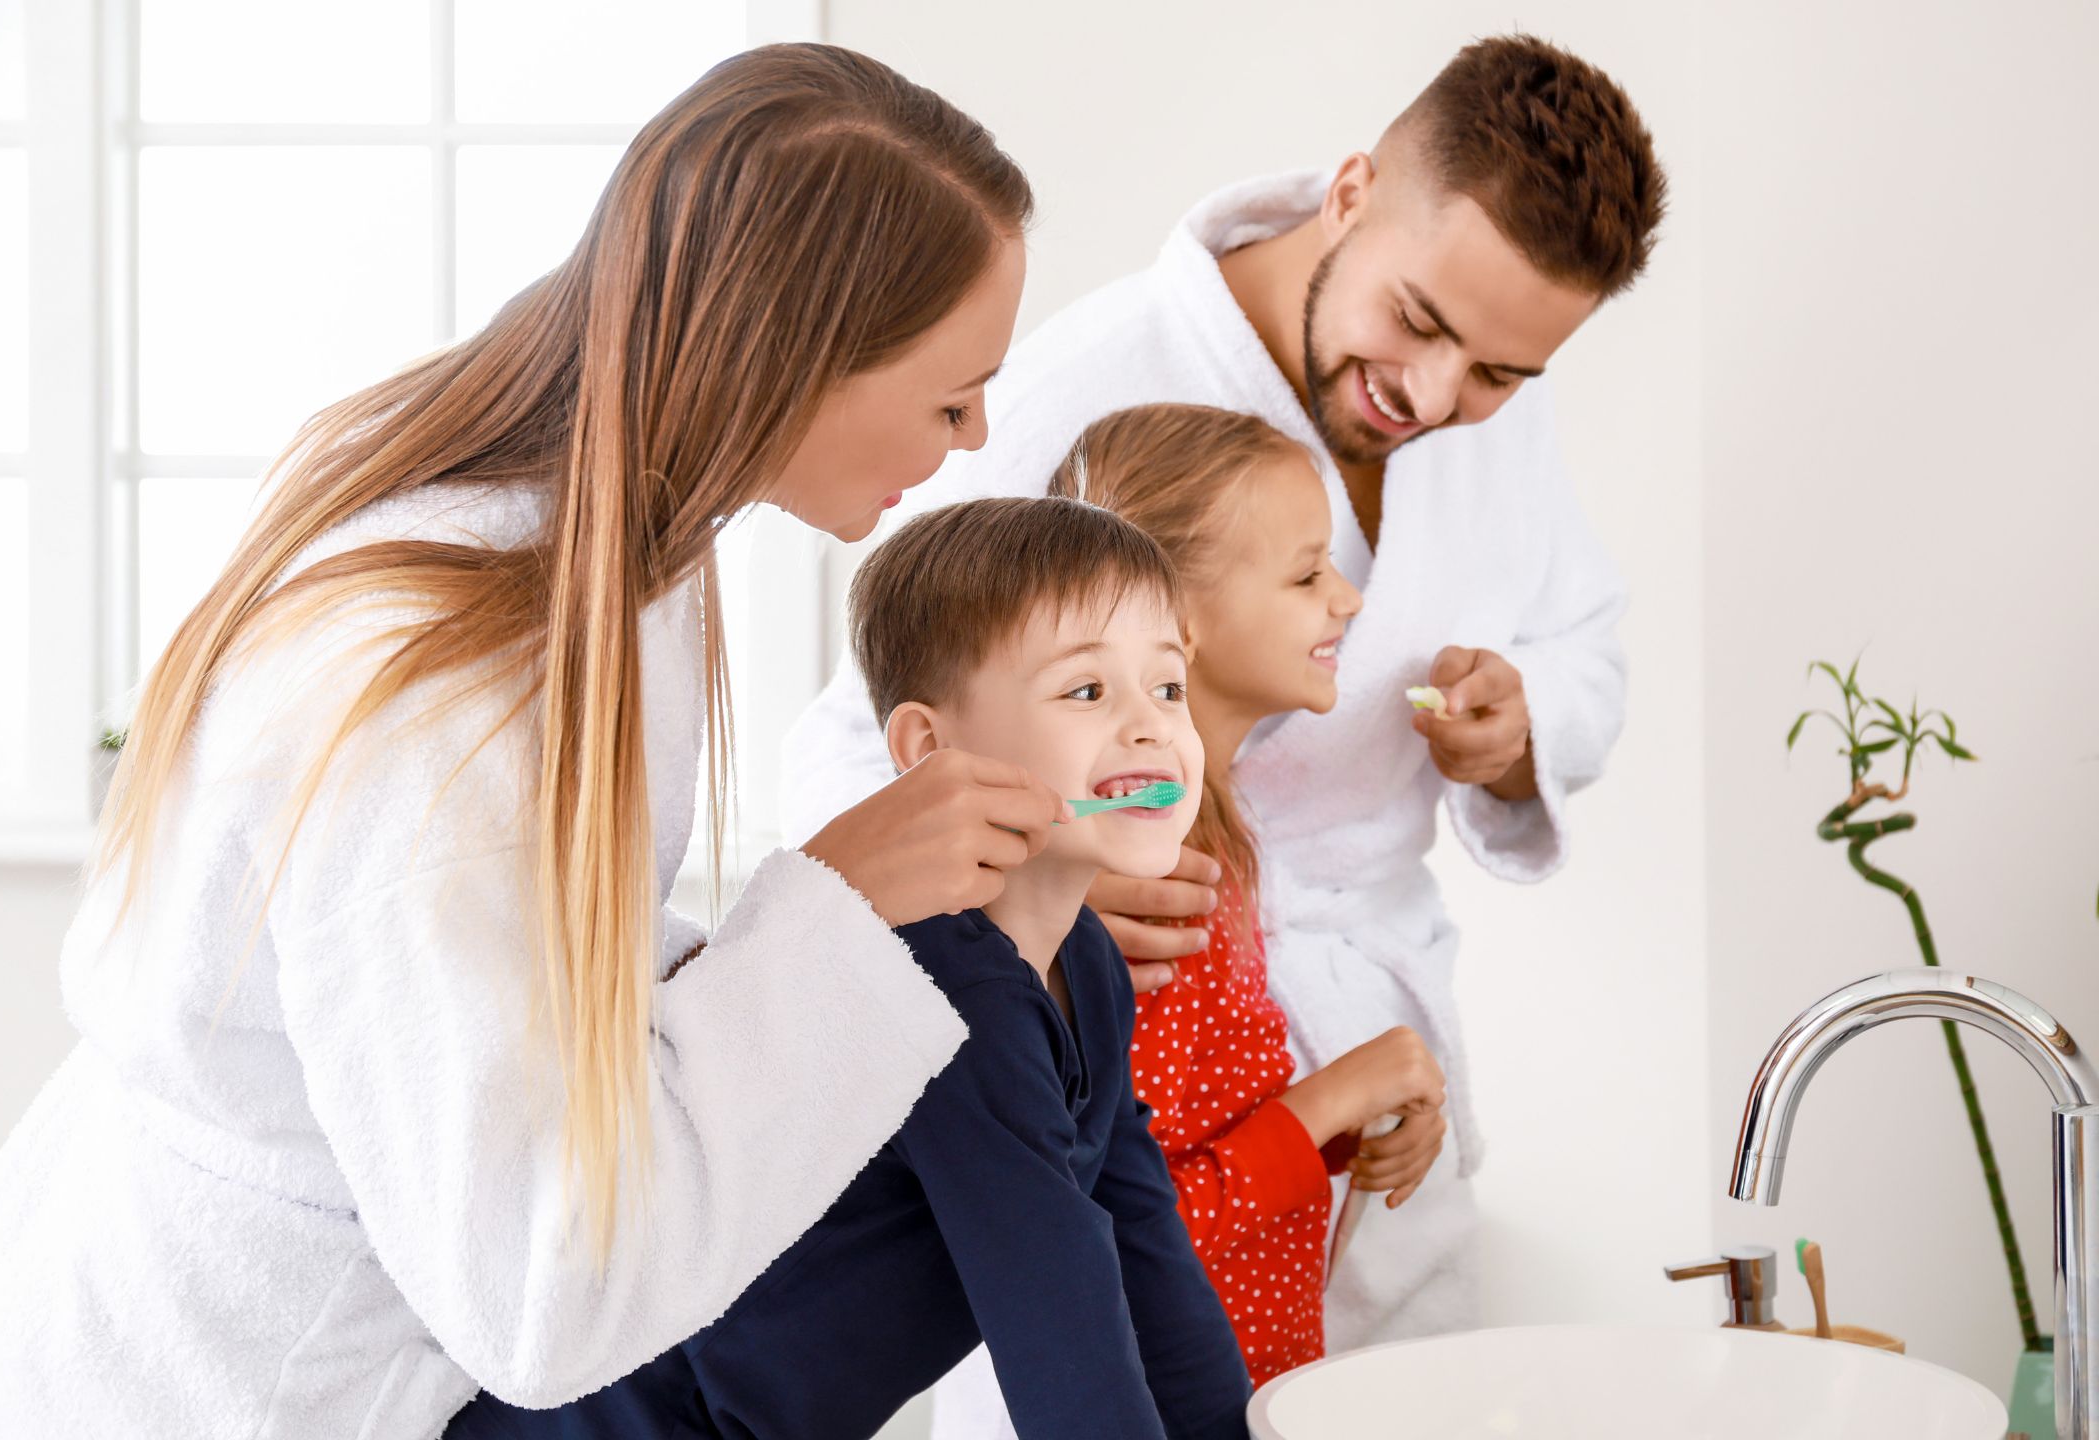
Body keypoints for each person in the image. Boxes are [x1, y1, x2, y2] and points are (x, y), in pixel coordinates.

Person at [0, 45, 1072, 1438]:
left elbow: (511, 971)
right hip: (198, 1384)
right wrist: (828, 912)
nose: (973, 440)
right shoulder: (434, 706)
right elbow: (541, 1285)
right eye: (952, 397)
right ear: (790, 358)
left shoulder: (624, 552)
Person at [784, 33, 1667, 1349]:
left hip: (1374, 1063)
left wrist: (1526, 713)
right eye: (1419, 323)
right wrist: (1047, 876)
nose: (1435, 395)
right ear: (1353, 192)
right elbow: (867, 736)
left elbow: (1586, 636)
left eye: (1498, 373)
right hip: (1140, 1032)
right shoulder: (1081, 392)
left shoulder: (1495, 411)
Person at [455, 495, 1316, 1439]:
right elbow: (1059, 1321)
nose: (1153, 730)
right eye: (1085, 692)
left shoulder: (1088, 969)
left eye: (1168, 688)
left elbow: (1147, 1257)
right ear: (929, 750)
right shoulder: (949, 987)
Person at [932, 406, 1453, 1437]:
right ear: (1184, 617)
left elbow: (1193, 1145)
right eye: (1307, 576)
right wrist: (1336, 1094)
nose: (1347, 597)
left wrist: (1352, 1119)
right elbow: (1133, 1228)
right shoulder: (1152, 887)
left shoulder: (1212, 839)